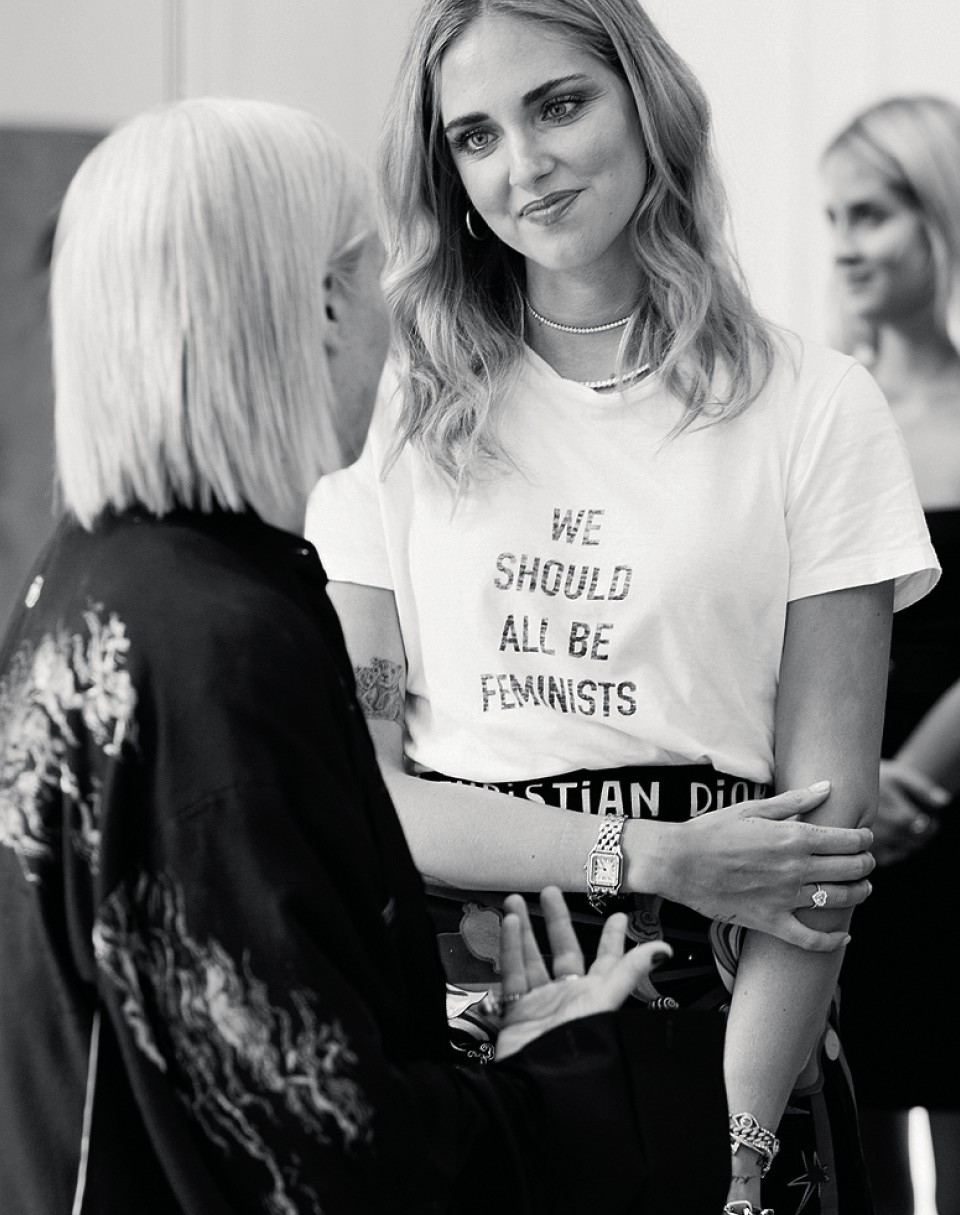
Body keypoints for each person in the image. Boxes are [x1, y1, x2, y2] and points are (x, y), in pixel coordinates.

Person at [0, 97, 736, 1215]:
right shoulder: (223, 652)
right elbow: (329, 1156)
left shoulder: (88, 581)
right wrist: (560, 1080)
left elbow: (215, 1052)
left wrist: (487, 1061)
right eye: (377, 270)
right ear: (327, 302)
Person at [305, 3, 941, 1213]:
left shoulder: (816, 405)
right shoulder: (396, 408)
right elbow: (366, 789)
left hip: (737, 997)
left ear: (649, 104)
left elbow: (824, 840)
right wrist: (643, 853)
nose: (523, 165)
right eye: (475, 136)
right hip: (467, 998)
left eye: (558, 105)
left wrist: (737, 1149)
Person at [822, 94, 960, 1215]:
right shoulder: (827, 409)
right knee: (849, 1127)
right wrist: (860, 783)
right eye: (832, 218)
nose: (844, 245)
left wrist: (916, 773)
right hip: (845, 816)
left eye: (869, 214)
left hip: (947, 813)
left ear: (940, 215)